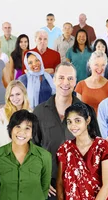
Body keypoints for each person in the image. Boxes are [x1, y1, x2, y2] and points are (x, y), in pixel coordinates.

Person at [33, 62, 82, 200]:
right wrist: (41, 179)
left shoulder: (86, 112)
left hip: (78, 183)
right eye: (61, 77)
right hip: (49, 186)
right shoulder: (39, 112)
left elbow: (94, 148)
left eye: (70, 78)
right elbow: (32, 149)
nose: (65, 82)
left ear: (75, 82)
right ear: (54, 79)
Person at [0, 110, 52, 199]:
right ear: (10, 129)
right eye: (18, 126)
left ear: (32, 134)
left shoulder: (45, 156)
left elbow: (44, 188)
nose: (22, 132)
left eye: (27, 128)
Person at [56, 102, 108, 199]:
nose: (73, 125)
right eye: (69, 122)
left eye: (77, 120)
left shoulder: (102, 146)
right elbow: (60, 184)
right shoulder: (65, 149)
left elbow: (107, 185)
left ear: (87, 120)